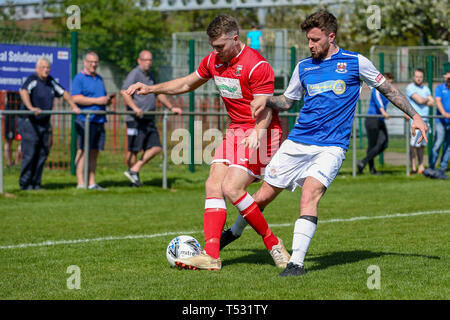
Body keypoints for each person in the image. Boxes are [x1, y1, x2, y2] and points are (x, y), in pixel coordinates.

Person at [221, 10, 428, 277]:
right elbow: (287, 101)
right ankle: (235, 232)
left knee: (310, 195)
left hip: (331, 146)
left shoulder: (356, 62)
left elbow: (388, 89)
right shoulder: (303, 67)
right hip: (297, 143)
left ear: (331, 36)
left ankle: (296, 263)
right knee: (261, 198)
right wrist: (267, 100)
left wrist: (416, 117)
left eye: (315, 39)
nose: (310, 45)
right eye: (308, 40)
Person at [126, 14, 290, 271]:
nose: (216, 52)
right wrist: (151, 89)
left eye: (220, 46)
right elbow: (186, 83)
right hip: (236, 130)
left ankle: (273, 244)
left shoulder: (258, 65)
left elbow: (266, 106)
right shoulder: (214, 61)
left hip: (264, 133)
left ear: (235, 39)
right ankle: (211, 256)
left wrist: (258, 132)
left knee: (232, 188)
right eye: (213, 47)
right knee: (213, 184)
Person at [120, 50, 182, 187]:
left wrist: (171, 107)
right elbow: (124, 92)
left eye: (150, 60)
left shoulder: (150, 75)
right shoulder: (135, 73)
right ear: (139, 60)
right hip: (135, 119)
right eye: (146, 60)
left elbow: (158, 93)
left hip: (149, 118)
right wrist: (135, 108)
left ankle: (134, 170)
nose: (148, 62)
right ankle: (134, 181)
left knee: (156, 148)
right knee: (133, 150)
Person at [18, 57, 80, 190]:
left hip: (44, 123)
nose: (46, 70)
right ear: (37, 68)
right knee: (30, 153)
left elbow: (64, 93)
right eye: (43, 67)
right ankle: (25, 184)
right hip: (30, 123)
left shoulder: (50, 81)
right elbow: (23, 91)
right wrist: (31, 108)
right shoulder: (32, 80)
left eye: (48, 67)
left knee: (42, 153)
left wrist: (74, 106)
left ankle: (36, 183)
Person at [72, 51, 112, 190]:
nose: (93, 64)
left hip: (99, 120)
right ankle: (80, 182)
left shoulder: (99, 78)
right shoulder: (79, 78)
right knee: (83, 150)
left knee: (94, 151)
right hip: (85, 120)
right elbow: (75, 98)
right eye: (91, 62)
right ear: (85, 62)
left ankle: (92, 182)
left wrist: (106, 100)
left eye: (96, 62)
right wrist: (97, 100)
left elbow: (101, 97)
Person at [357, 73, 394, 175]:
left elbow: (396, 100)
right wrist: (383, 112)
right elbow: (378, 100)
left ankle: (363, 162)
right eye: (387, 82)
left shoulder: (388, 92)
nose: (389, 84)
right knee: (372, 145)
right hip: (372, 119)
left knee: (384, 143)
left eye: (390, 82)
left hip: (380, 121)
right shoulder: (376, 89)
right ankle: (371, 169)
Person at [406, 68, 434, 174]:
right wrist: (426, 99)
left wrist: (424, 100)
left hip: (425, 120)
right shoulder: (410, 87)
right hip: (415, 121)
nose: (418, 79)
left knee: (422, 145)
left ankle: (421, 166)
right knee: (413, 145)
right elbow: (420, 100)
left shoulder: (426, 88)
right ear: (414, 77)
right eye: (417, 76)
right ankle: (413, 167)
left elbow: (432, 103)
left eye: (420, 77)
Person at [429, 70, 450, 175]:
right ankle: (431, 166)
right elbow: (438, 101)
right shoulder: (440, 88)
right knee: (438, 144)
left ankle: (443, 167)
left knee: (449, 146)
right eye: (448, 78)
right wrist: (444, 113)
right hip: (441, 121)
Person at [3, 91, 22, 166]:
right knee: (8, 140)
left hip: (21, 111)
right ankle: (9, 164)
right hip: (10, 111)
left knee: (23, 140)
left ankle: (16, 162)